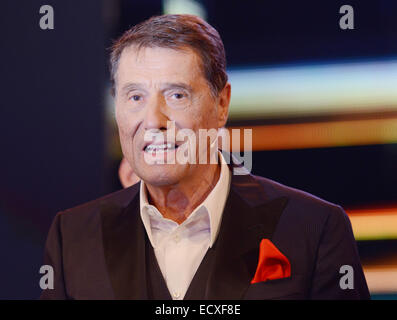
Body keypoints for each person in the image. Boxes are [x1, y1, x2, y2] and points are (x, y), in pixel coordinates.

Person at [40, 14, 370, 300]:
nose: (154, 120)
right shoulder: (73, 237)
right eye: (135, 96)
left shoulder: (315, 230)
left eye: (177, 95)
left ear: (221, 104)